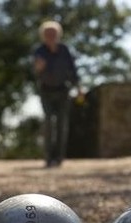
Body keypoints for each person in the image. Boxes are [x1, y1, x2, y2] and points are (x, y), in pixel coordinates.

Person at [33, 20, 82, 168]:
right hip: (46, 90)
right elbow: (34, 71)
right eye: (47, 34)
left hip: (62, 90)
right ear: (43, 35)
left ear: (58, 35)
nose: (51, 36)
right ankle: (49, 157)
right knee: (49, 122)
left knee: (62, 123)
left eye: (53, 33)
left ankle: (59, 158)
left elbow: (73, 71)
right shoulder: (39, 51)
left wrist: (79, 88)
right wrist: (38, 68)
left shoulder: (65, 50)